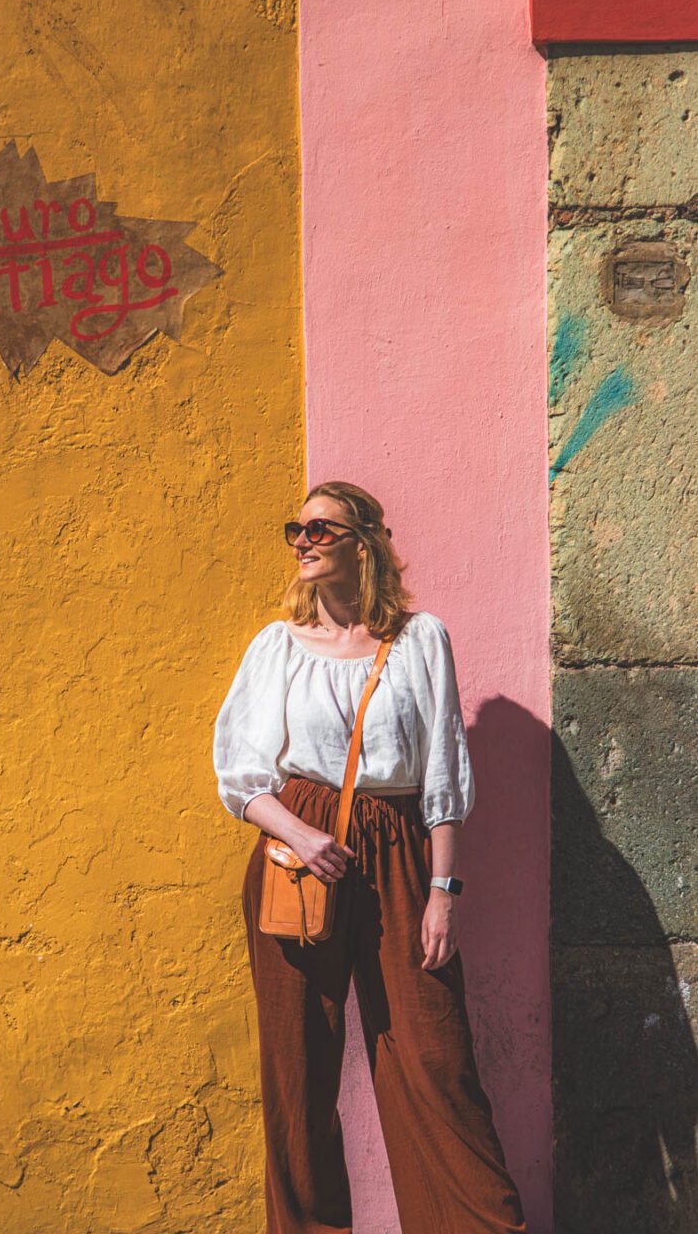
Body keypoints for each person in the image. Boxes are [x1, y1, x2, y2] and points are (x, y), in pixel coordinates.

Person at [212, 480, 527, 1234]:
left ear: (365, 543)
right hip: (299, 856)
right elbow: (238, 773)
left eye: (322, 529)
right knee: (297, 1069)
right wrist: (298, 832)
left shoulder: (420, 640)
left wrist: (442, 889)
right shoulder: (275, 646)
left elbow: (444, 774)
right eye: (297, 529)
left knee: (431, 1060)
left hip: (397, 852)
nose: (303, 541)